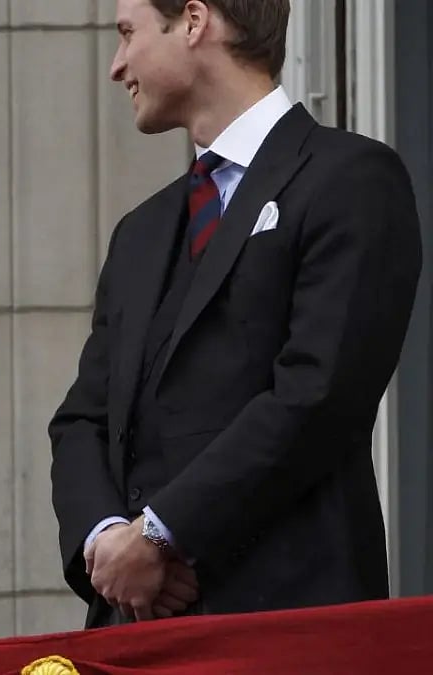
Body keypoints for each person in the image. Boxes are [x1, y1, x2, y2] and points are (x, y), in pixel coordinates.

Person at [49, 0, 422, 628]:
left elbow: (318, 394)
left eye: (127, 34)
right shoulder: (140, 232)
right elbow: (83, 418)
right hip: (139, 629)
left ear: (194, 22)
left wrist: (163, 535)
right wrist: (109, 540)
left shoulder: (350, 178)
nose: (117, 67)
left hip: (290, 622)